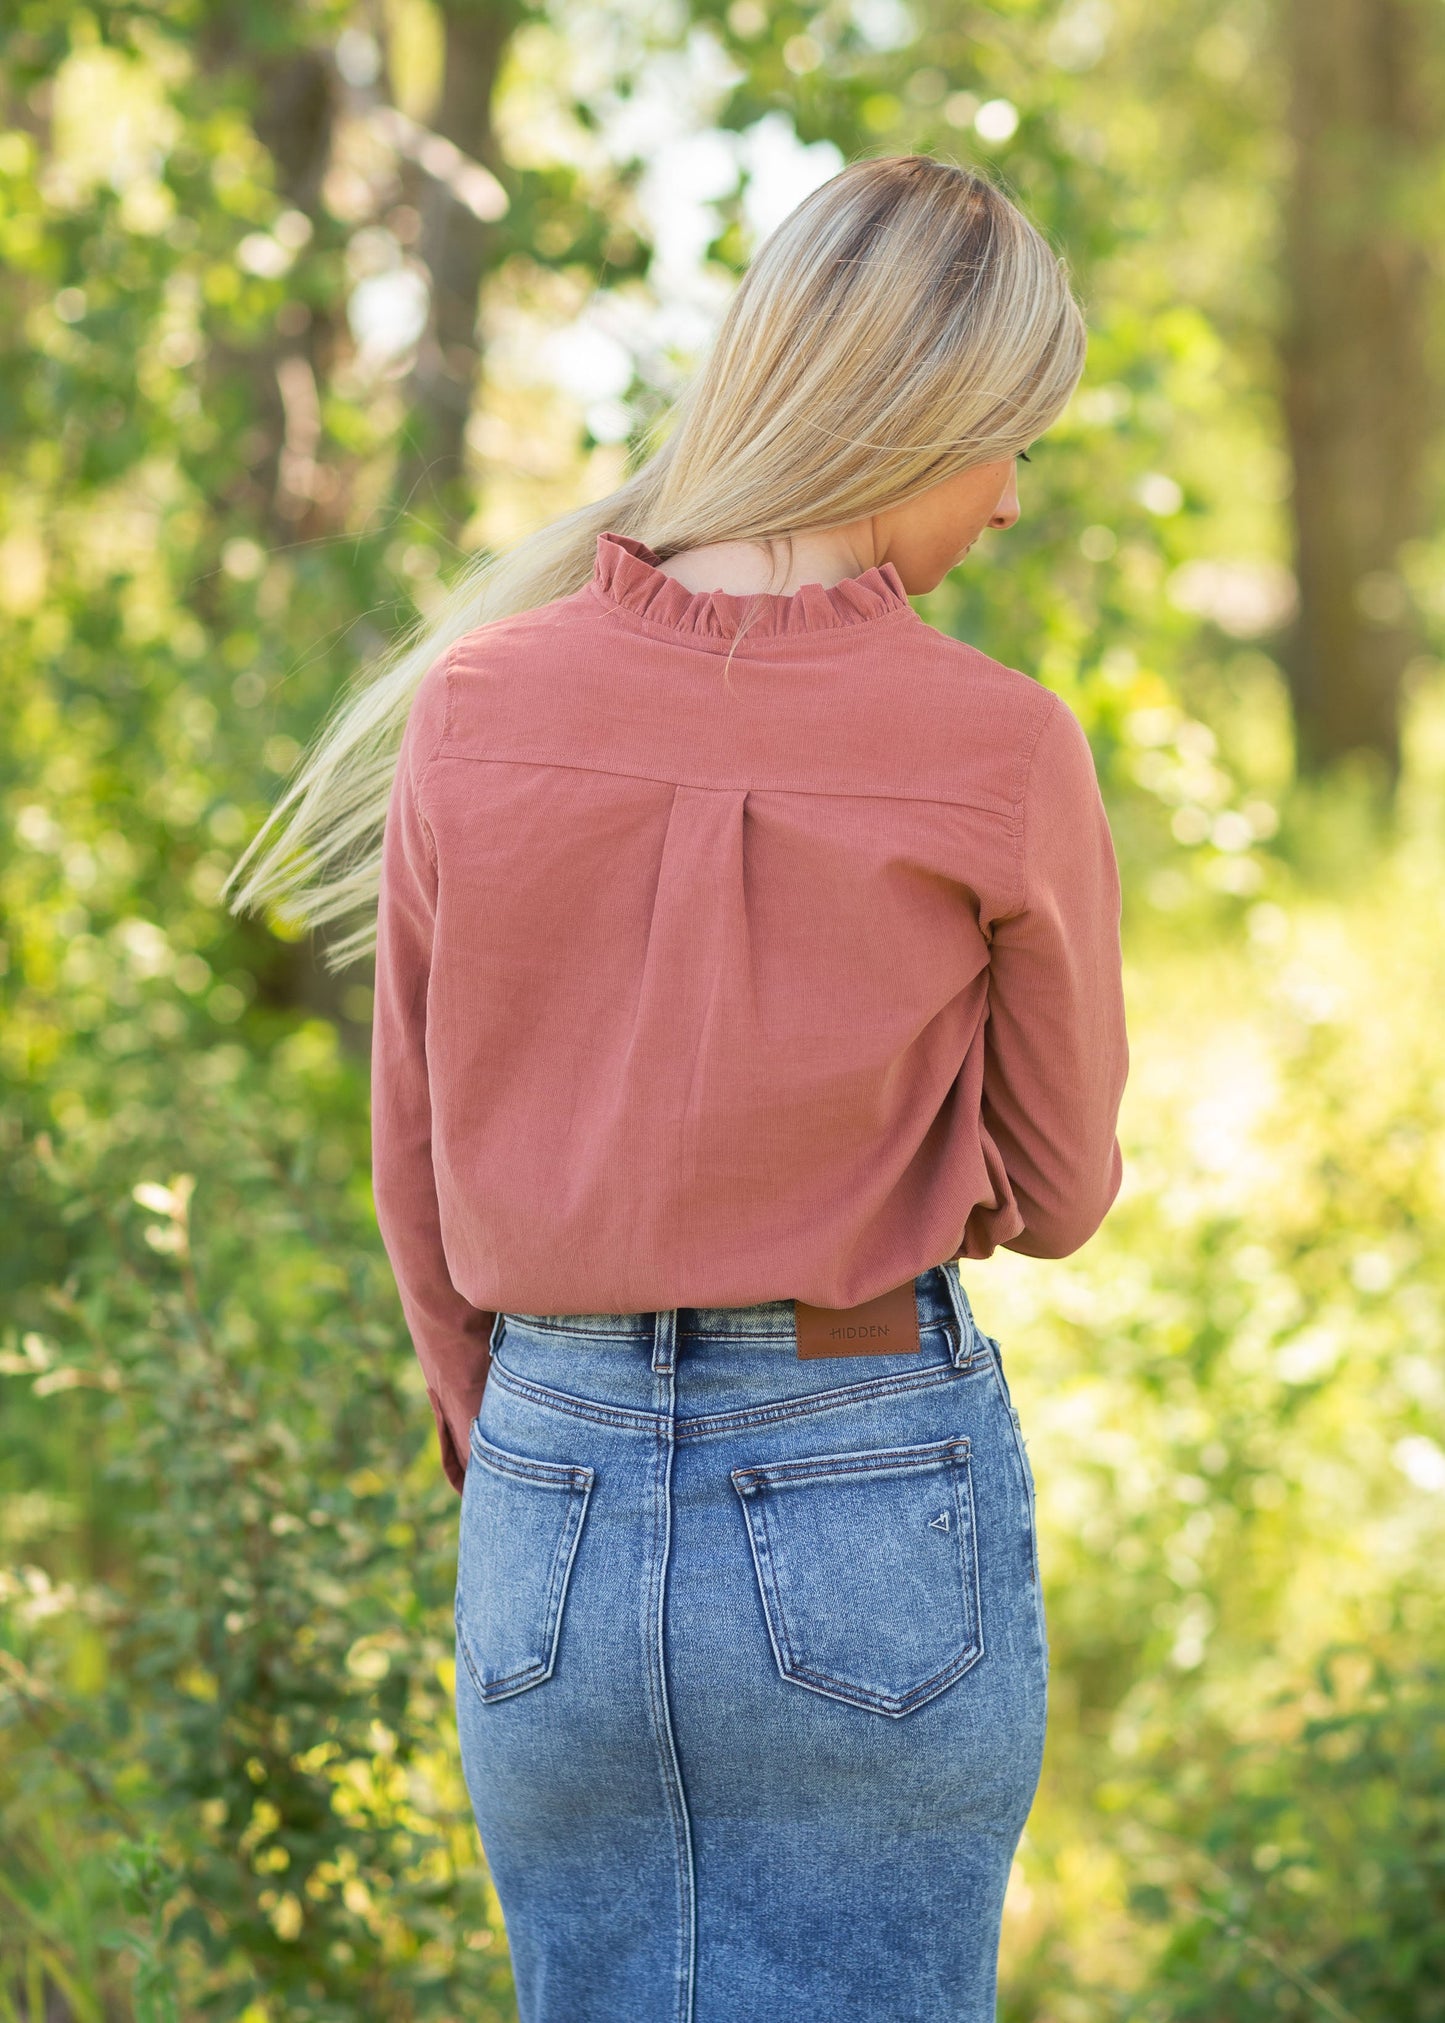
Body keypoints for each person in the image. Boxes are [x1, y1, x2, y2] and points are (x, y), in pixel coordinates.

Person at [229, 151, 1129, 2023]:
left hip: (546, 1483)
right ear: (922, 416)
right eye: (1006, 444)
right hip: (859, 1457)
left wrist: (540, 1436)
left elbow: (413, 1167)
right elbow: (1058, 1189)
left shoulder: (477, 702)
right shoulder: (999, 746)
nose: (1013, 497)